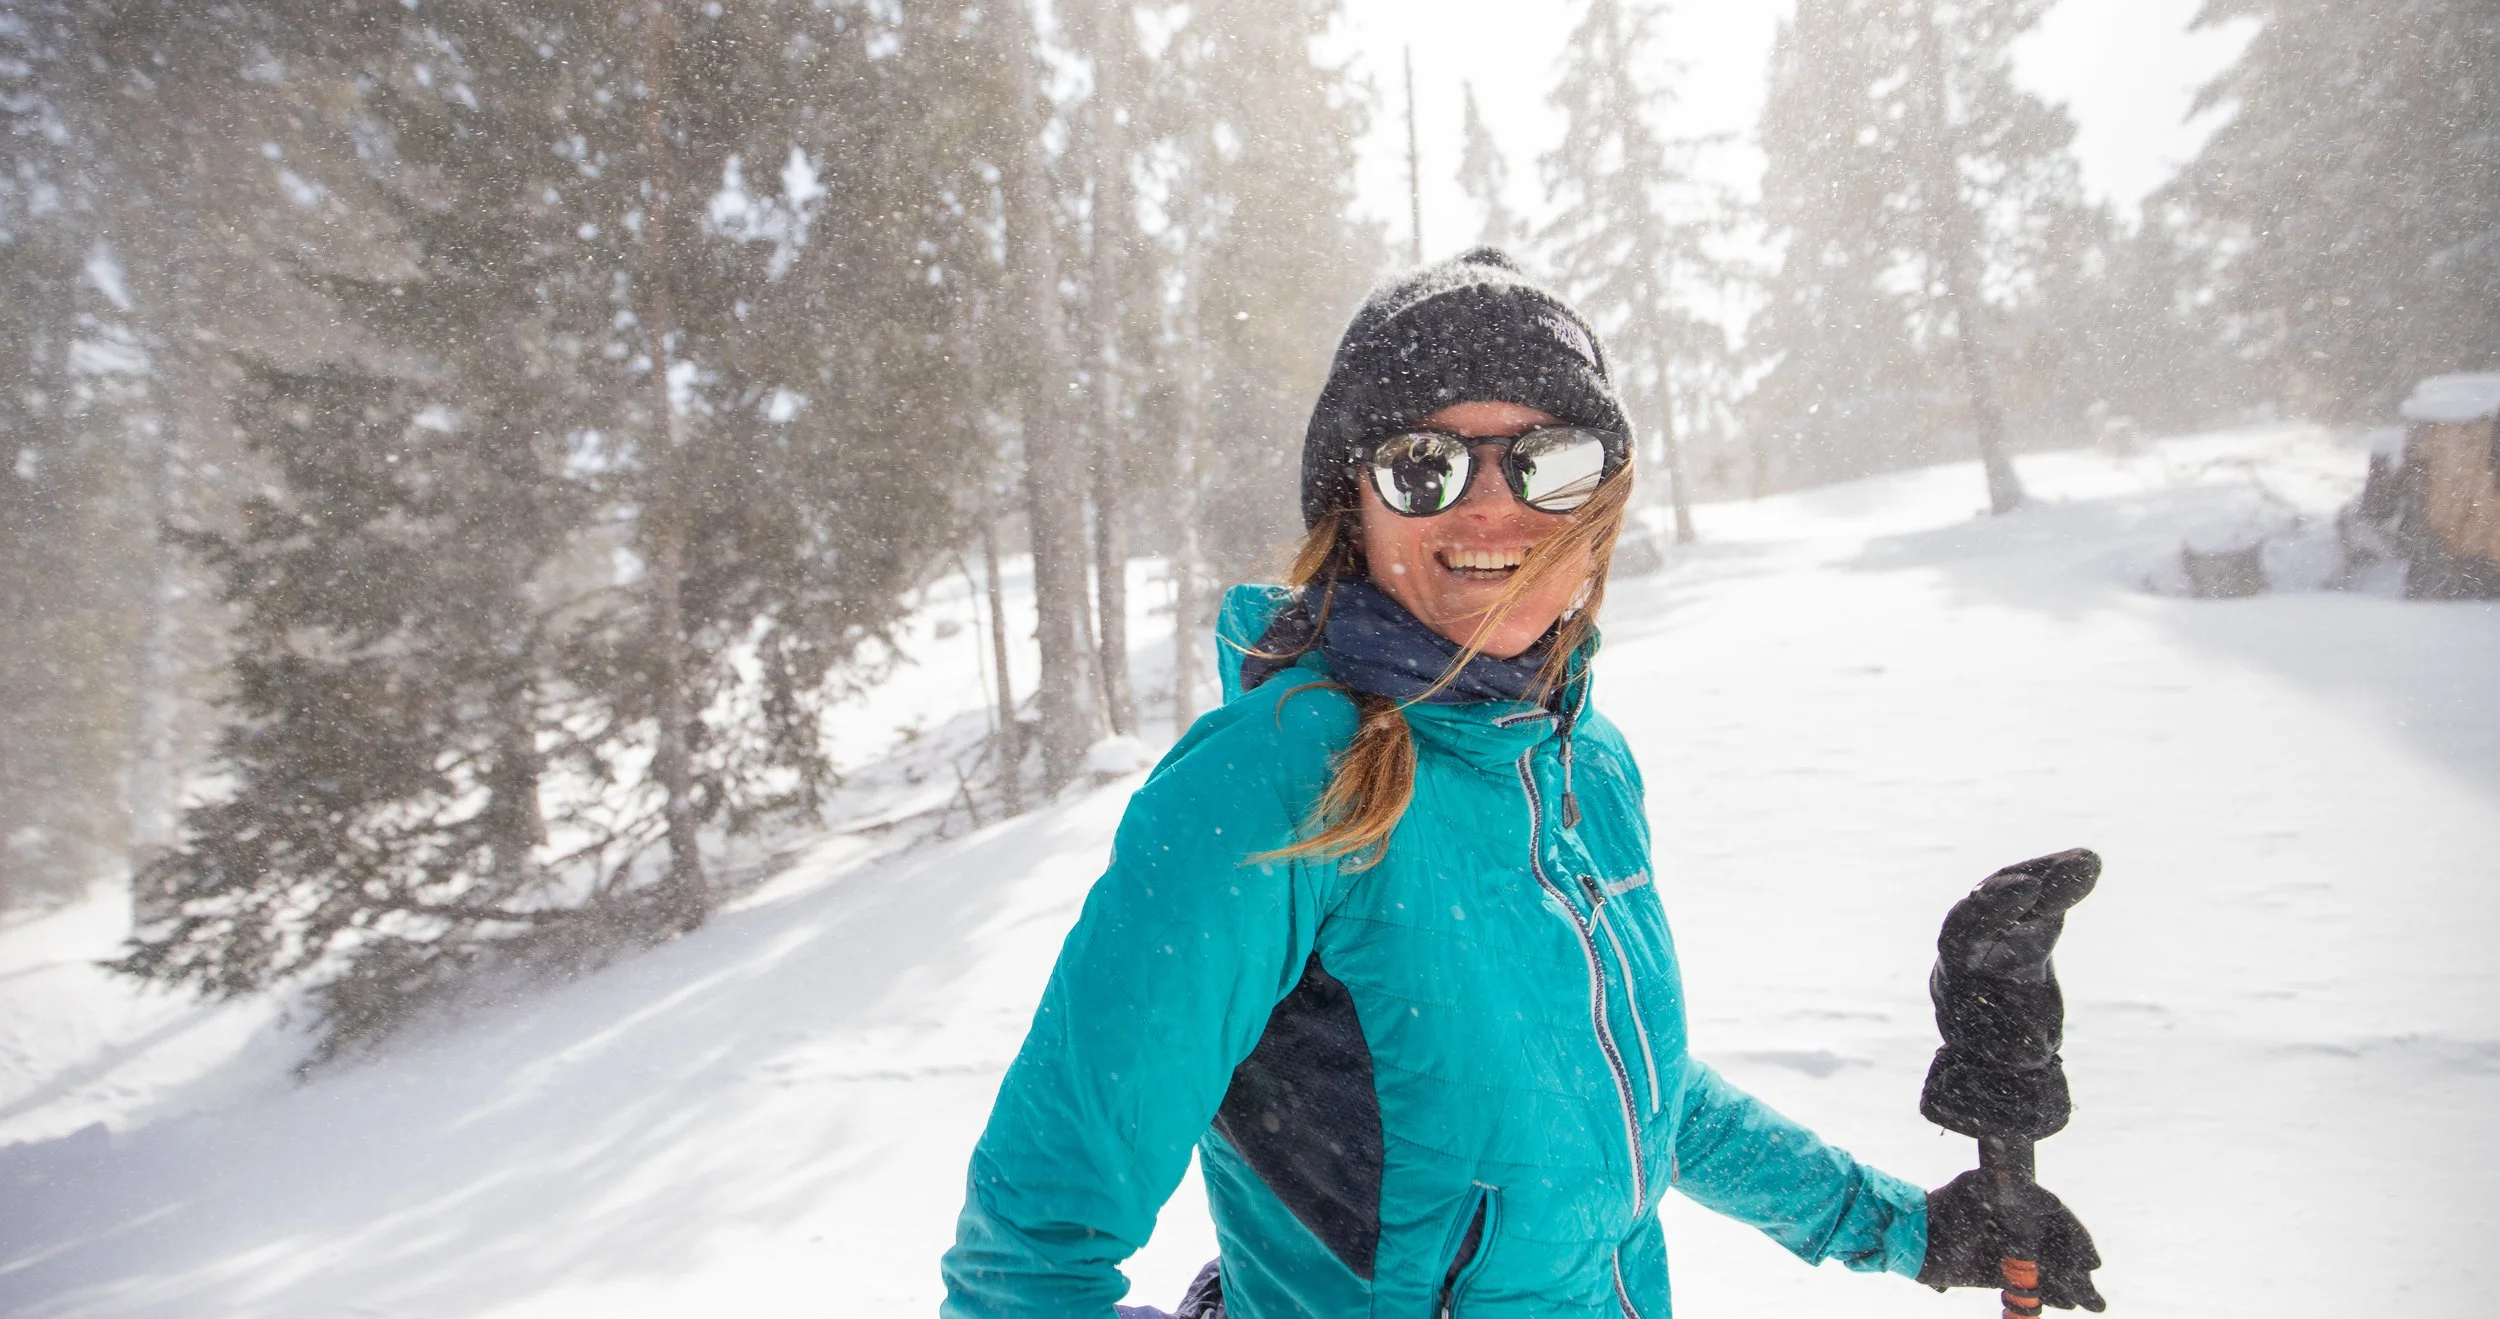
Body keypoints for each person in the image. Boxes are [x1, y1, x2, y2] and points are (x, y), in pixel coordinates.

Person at [939, 248, 2102, 1318]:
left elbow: (1634, 1089)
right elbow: (1026, 1256)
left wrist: (1911, 1227)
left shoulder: (1584, 761)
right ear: (1352, 505)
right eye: (1423, 461)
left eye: (1548, 457)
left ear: (1599, 506)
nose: (1490, 502)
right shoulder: (1274, 776)